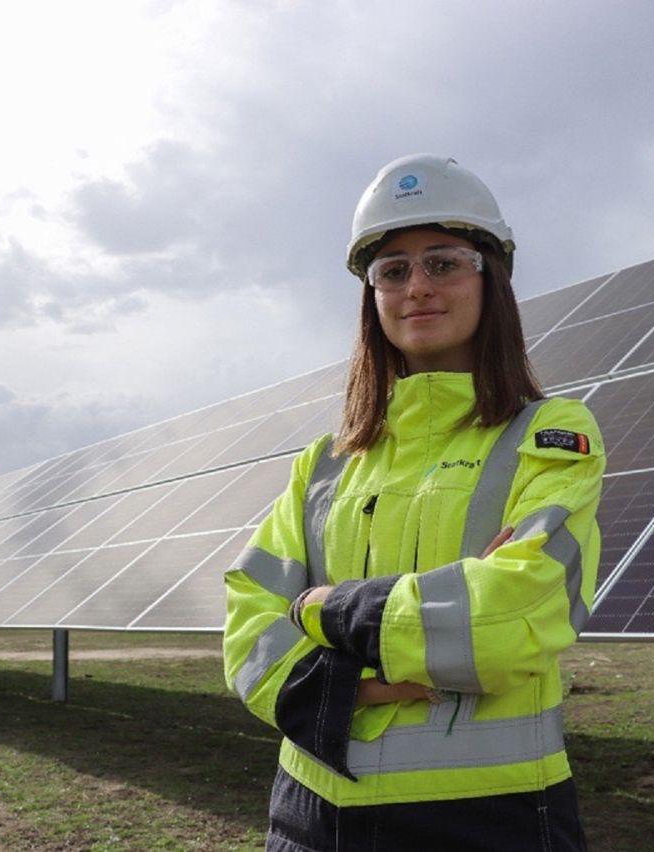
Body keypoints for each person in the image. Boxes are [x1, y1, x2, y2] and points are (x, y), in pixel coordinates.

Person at [223, 153, 604, 851]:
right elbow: (251, 613)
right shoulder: (326, 461)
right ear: (371, 296)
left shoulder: (549, 437)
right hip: (310, 810)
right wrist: (335, 686)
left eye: (443, 262)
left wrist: (325, 609)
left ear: (490, 274)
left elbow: (516, 612)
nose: (416, 288)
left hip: (490, 817)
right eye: (391, 271)